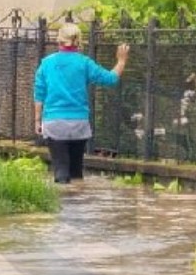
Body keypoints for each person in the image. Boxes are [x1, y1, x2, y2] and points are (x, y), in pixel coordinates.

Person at [32, 21, 129, 184]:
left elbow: (39, 93)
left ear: (59, 40)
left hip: (54, 122)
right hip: (79, 123)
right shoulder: (84, 63)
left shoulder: (47, 63)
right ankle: (79, 207)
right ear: (79, 41)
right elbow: (111, 79)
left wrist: (37, 120)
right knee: (76, 172)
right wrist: (121, 61)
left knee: (61, 171)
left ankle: (62, 205)